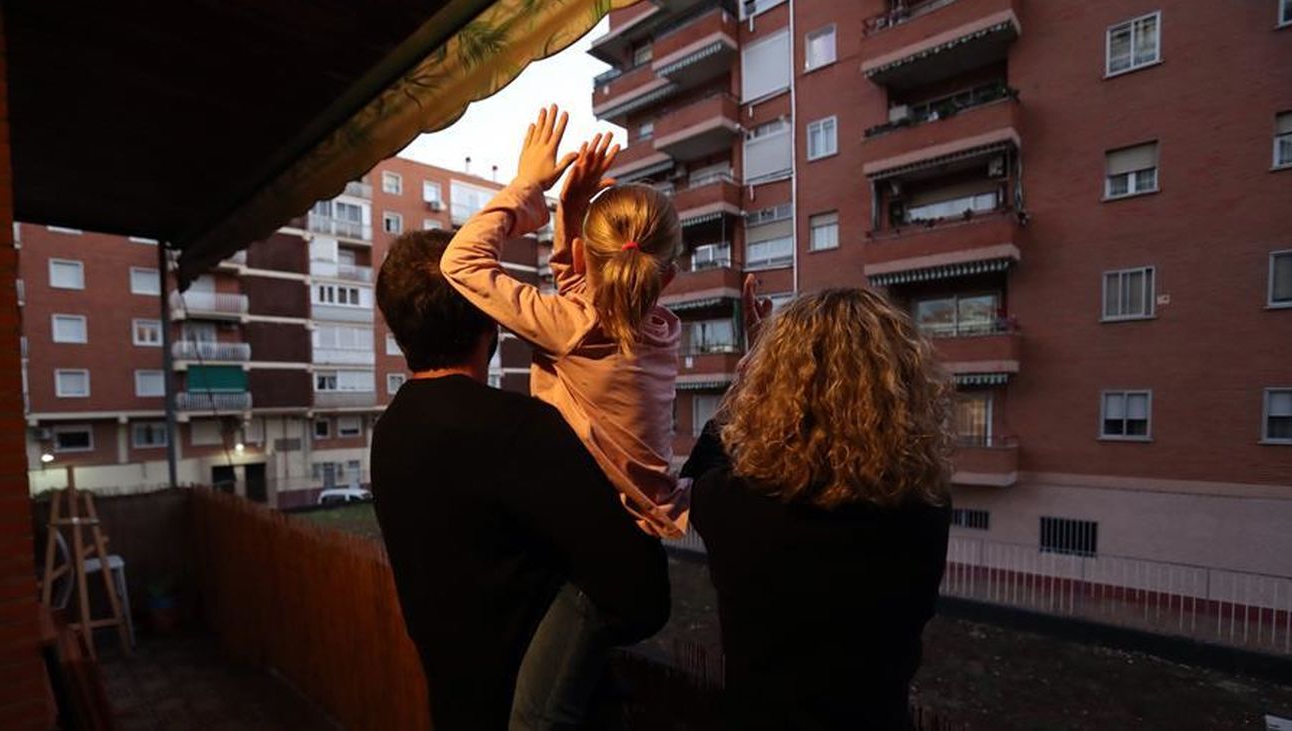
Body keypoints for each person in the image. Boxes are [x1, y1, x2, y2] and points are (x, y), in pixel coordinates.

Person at [440, 106, 686, 729]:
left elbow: (460, 264)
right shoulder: (663, 329)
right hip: (629, 547)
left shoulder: (573, 328)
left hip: (601, 565)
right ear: (667, 277)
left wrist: (529, 188)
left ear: (582, 253)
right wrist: (570, 212)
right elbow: (587, 296)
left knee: (535, 720)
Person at [369, 227, 670, 730]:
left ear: (398, 329)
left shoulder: (390, 432)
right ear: (490, 316)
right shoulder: (519, 430)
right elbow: (642, 597)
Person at [681, 284, 953, 730]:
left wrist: (745, 383)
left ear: (775, 388)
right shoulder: (925, 507)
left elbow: (700, 469)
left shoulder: (739, 505)